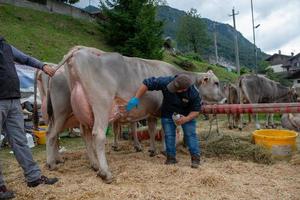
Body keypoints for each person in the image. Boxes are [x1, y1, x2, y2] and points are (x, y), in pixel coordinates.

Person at [0, 36, 58, 200]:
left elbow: (24, 58)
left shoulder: (5, 46)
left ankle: (33, 178)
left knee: (20, 141)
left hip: (12, 100)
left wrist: (43, 66)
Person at [126, 74, 201, 168]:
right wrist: (136, 98)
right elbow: (147, 83)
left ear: (183, 89)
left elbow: (196, 111)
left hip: (186, 114)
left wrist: (186, 119)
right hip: (168, 113)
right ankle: (171, 158)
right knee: (169, 135)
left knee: (190, 134)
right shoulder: (166, 82)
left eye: (175, 89)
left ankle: (195, 159)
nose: (172, 88)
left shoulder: (193, 93)